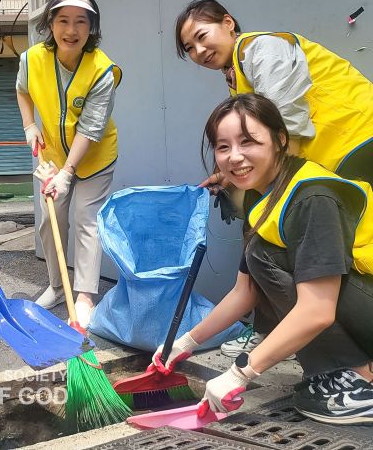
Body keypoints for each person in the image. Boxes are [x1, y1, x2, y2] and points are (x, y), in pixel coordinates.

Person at [152, 93, 373, 425]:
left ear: (279, 139)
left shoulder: (312, 197)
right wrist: (184, 342)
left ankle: (361, 382)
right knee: (261, 256)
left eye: (248, 142)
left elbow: (317, 310)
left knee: (269, 258)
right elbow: (245, 290)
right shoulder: (264, 193)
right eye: (223, 147)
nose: (235, 157)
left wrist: (241, 372)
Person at [175, 0, 373, 358]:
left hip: (359, 142)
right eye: (189, 48)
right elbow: (259, 140)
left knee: (336, 248)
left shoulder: (263, 49)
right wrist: (227, 174)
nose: (199, 50)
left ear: (228, 23)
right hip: (336, 155)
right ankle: (279, 332)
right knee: (272, 235)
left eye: (202, 36)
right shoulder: (239, 74)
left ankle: (351, 364)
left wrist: (254, 183)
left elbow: (283, 126)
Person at [17, 0, 120, 329]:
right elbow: (21, 89)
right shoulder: (32, 59)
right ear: (50, 22)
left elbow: (90, 130)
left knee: (87, 220)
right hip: (53, 156)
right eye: (63, 20)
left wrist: (68, 173)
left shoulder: (102, 70)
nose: (71, 30)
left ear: (92, 27)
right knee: (51, 222)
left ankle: (86, 295)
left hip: (93, 157)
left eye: (80, 22)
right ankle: (58, 286)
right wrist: (30, 125)